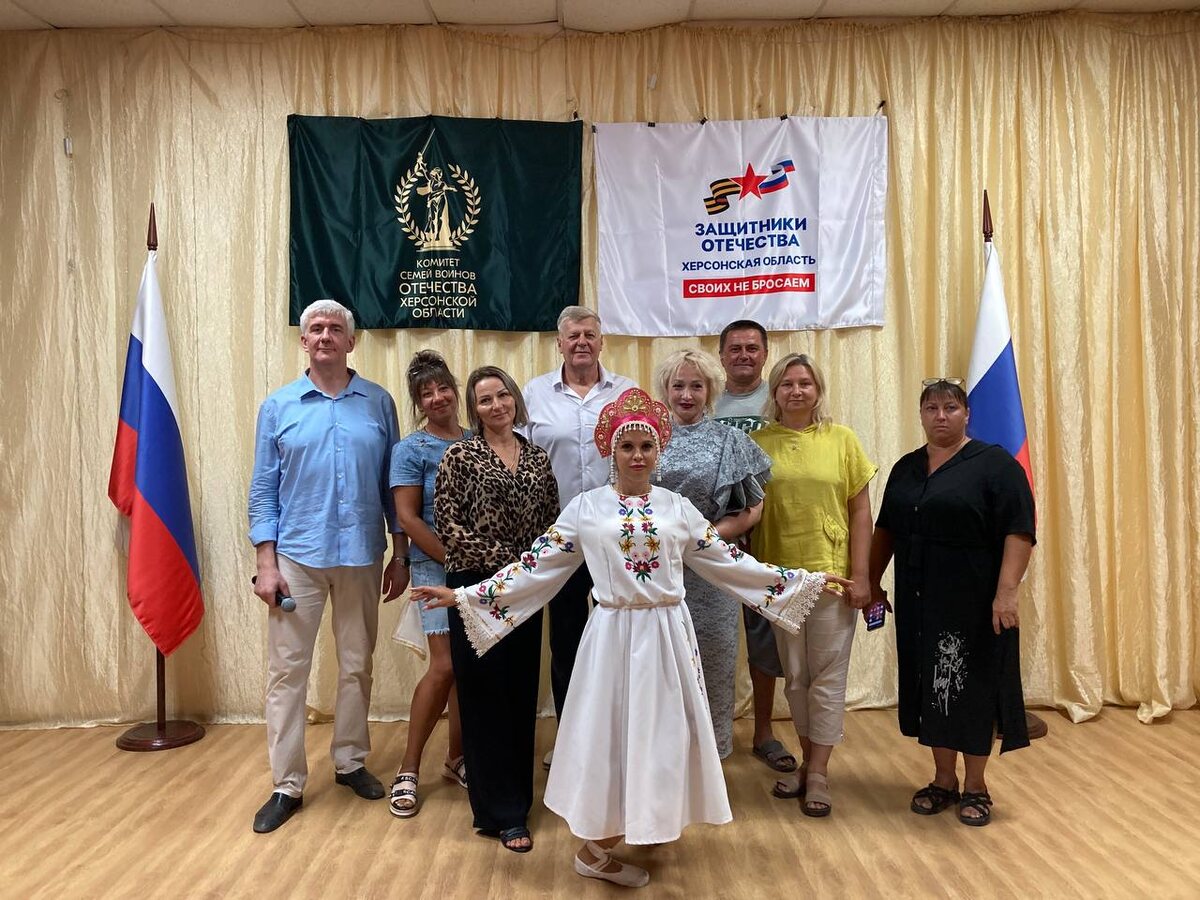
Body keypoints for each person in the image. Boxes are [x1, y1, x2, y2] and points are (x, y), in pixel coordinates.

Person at [413, 387, 851, 888]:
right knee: (612, 737)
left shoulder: (678, 508)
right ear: (611, 450)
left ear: (658, 450)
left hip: (666, 637)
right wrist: (467, 596)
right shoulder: (585, 508)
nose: (637, 456)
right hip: (613, 638)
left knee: (661, 735)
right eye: (627, 446)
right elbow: (537, 566)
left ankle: (646, 821)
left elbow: (729, 562)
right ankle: (594, 849)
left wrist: (800, 581)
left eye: (646, 447)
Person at [247, 299, 407, 834]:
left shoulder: (379, 403)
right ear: (303, 341)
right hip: (297, 557)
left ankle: (350, 761)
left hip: (362, 553)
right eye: (315, 328)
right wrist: (266, 563)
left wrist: (401, 551)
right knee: (287, 672)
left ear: (350, 342)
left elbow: (393, 485)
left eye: (335, 328)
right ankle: (287, 784)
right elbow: (263, 490)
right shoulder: (278, 407)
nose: (325, 336)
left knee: (357, 663)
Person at [868, 378, 1035, 827]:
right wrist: (872, 583)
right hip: (919, 600)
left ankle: (976, 785)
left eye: (950, 408)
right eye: (931, 408)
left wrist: (1007, 593)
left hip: (975, 601)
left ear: (967, 414)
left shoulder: (996, 465)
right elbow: (886, 530)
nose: (940, 416)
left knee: (971, 688)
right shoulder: (906, 468)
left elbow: (1019, 531)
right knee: (932, 687)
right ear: (921, 414)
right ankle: (943, 779)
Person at [435, 365, 559, 852]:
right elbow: (449, 528)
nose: (496, 406)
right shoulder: (459, 456)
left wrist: (530, 569)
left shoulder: (537, 458)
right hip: (476, 590)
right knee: (484, 697)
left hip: (525, 591)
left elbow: (552, 523)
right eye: (484, 400)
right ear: (474, 409)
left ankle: (518, 802)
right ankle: (498, 813)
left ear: (514, 399)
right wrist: (509, 562)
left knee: (520, 694)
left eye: (502, 395)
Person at [750, 353, 877, 817]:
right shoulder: (757, 444)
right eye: (787, 384)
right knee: (797, 678)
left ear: (818, 390)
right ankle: (807, 763)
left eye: (805, 383)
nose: (796, 391)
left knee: (828, 677)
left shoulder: (842, 440)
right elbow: (749, 512)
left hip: (832, 578)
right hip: (781, 581)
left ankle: (819, 772)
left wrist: (862, 576)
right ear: (775, 393)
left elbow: (861, 512)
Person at [522, 306, 635, 762]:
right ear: (560, 343)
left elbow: (646, 456)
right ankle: (571, 741)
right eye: (573, 336)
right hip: (561, 539)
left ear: (602, 342)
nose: (582, 342)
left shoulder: (627, 392)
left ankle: (618, 737)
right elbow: (517, 458)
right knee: (567, 641)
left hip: (617, 538)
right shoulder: (533, 394)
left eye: (590, 334)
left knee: (620, 637)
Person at [654, 349, 772, 759]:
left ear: (711, 391)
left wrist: (700, 538)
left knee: (714, 661)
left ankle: (711, 755)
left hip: (713, 570)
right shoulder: (646, 438)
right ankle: (665, 758)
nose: (686, 395)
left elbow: (752, 509)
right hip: (657, 570)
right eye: (678, 385)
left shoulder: (731, 441)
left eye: (696, 386)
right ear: (665, 390)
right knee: (663, 665)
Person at [386, 350, 470, 818]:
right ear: (419, 402)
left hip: (476, 569)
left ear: (455, 390)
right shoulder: (411, 449)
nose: (437, 398)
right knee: (444, 666)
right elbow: (407, 517)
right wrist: (450, 558)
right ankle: (409, 767)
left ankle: (456, 759)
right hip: (434, 566)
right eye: (426, 393)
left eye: (443, 388)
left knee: (466, 667)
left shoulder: (477, 439)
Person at [713, 319, 795, 774]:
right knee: (706, 633)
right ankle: (706, 727)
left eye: (752, 348)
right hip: (713, 534)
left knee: (763, 633)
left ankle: (764, 730)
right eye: (735, 348)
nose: (743, 355)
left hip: (764, 529)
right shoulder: (706, 398)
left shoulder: (778, 399)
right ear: (721, 355)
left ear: (765, 354)